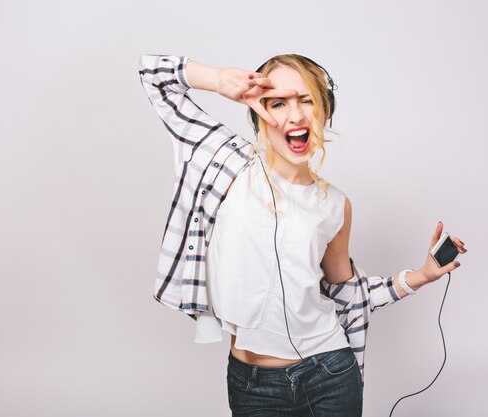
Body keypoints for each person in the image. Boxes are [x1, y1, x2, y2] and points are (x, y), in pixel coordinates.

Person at [138, 53, 467, 417]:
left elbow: (348, 294)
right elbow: (154, 76)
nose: (294, 115)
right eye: (278, 103)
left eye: (306, 100)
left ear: (324, 111)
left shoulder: (335, 206)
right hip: (252, 384)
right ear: (258, 113)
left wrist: (418, 277)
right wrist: (217, 80)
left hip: (329, 373)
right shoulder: (226, 165)